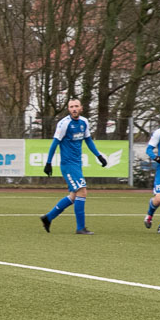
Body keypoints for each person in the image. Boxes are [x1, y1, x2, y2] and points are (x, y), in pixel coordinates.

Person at [39, 98, 107, 235]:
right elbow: (54, 144)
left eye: (76, 106)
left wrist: (98, 156)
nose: (74, 109)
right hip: (68, 164)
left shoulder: (84, 122)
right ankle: (80, 228)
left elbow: (88, 140)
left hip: (77, 163)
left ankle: (48, 218)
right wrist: (48, 163)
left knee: (74, 196)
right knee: (82, 191)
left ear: (81, 108)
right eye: (71, 107)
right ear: (68, 109)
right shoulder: (64, 124)